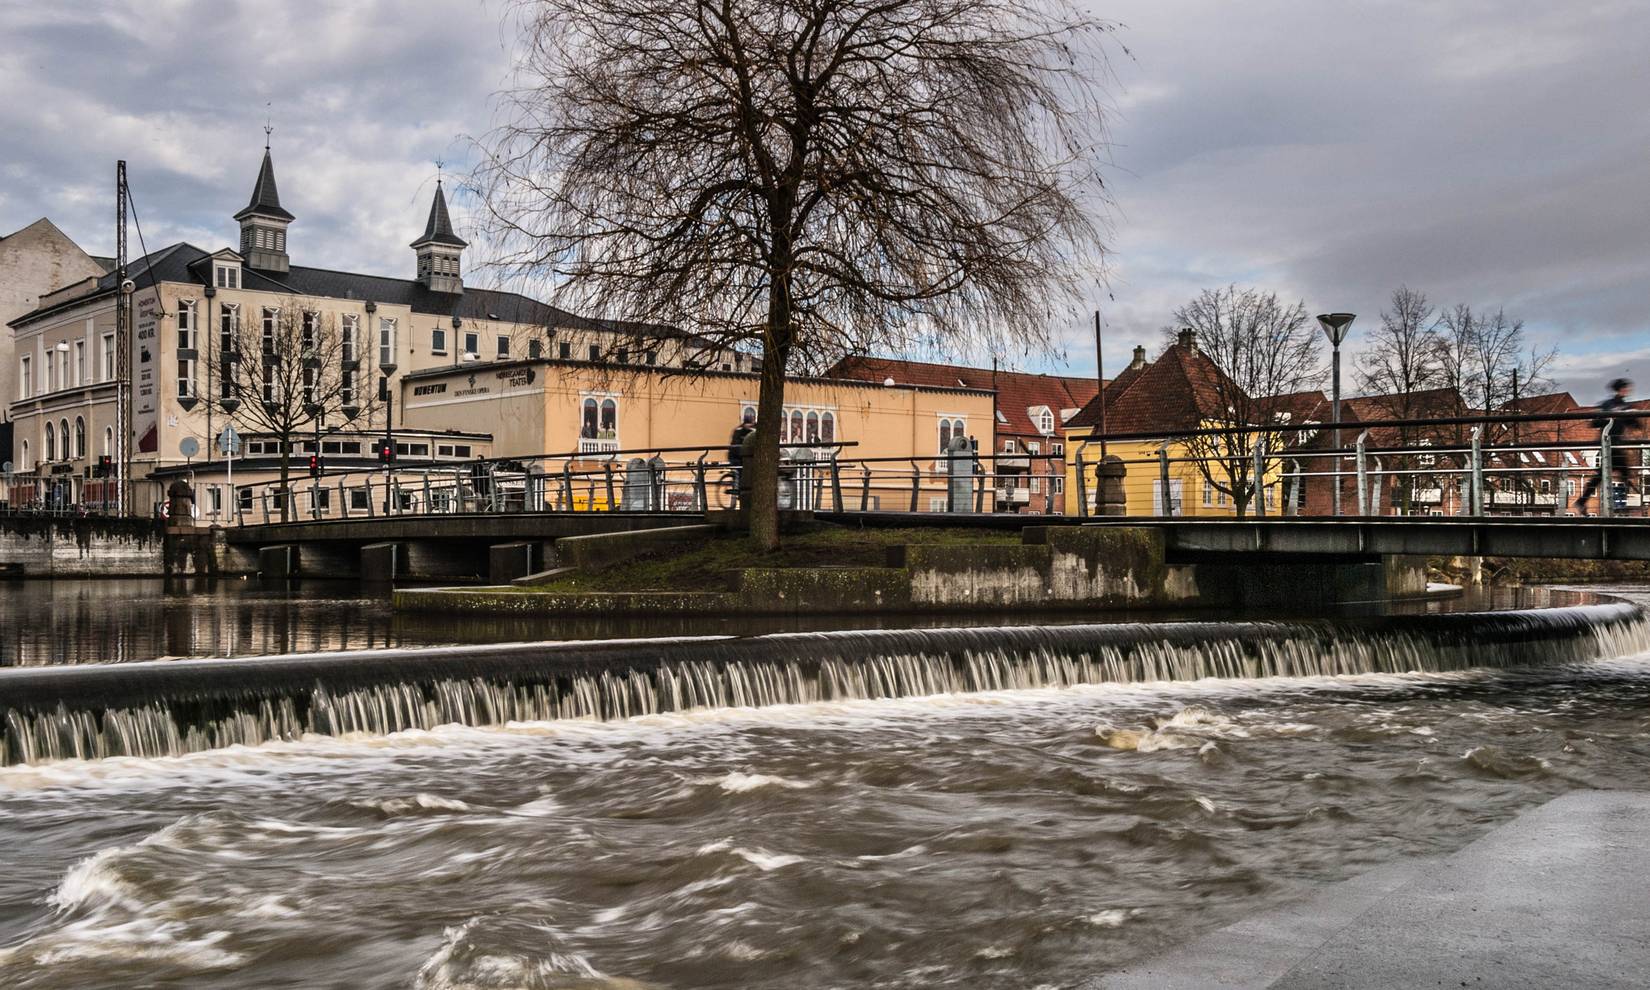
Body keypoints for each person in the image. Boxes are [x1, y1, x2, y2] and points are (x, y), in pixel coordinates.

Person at [1573, 377, 1637, 515]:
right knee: (1623, 472)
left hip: (1614, 444)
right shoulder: (1609, 405)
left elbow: (1633, 422)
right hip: (1609, 443)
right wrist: (1606, 418)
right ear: (1620, 389)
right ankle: (1621, 505)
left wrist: (1633, 419)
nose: (1628, 390)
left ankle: (1582, 502)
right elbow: (1594, 422)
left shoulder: (1624, 406)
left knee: (1603, 475)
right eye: (1625, 388)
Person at [727, 409, 756, 503]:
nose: (749, 426)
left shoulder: (752, 431)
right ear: (745, 423)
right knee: (742, 471)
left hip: (744, 457)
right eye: (748, 424)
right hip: (735, 457)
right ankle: (741, 491)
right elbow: (735, 447)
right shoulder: (739, 431)